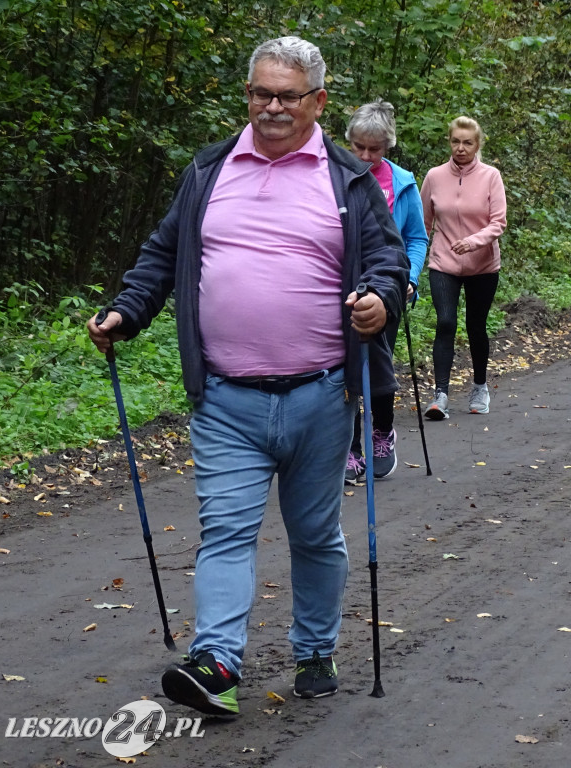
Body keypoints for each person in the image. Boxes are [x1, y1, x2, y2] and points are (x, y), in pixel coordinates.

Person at [86, 36, 407, 716]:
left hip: (321, 394)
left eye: (289, 95)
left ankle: (315, 648)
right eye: (261, 93)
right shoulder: (209, 170)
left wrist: (380, 299)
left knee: (315, 534)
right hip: (226, 397)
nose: (273, 106)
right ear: (248, 96)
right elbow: (162, 255)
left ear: (319, 101)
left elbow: (387, 261)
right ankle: (218, 664)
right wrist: (124, 312)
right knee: (225, 530)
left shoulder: (346, 178)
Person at [343, 99, 428, 483]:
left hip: (388, 287)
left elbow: (415, 237)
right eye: (358, 146)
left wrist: (408, 278)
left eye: (373, 149)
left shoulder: (402, 182)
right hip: (342, 286)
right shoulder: (333, 177)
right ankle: (350, 448)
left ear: (387, 146)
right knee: (343, 366)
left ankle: (382, 433)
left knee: (377, 363)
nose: (364, 155)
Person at [421, 116, 507, 419]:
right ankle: (440, 396)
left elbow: (499, 222)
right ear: (449, 142)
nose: (460, 148)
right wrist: (414, 260)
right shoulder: (434, 176)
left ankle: (479, 386)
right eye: (455, 141)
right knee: (445, 323)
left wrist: (474, 241)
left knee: (475, 326)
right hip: (443, 262)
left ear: (477, 144)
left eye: (467, 142)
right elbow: (423, 224)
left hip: (482, 265)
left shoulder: (490, 176)